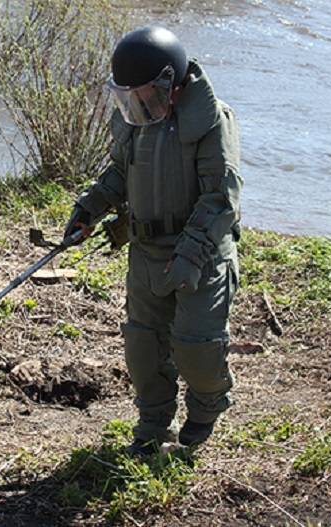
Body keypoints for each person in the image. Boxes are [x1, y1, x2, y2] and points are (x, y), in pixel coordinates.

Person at [65, 26, 242, 455]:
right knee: (143, 348)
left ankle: (205, 408)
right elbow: (119, 175)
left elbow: (220, 200)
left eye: (144, 94)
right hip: (146, 252)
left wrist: (189, 255)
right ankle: (152, 425)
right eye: (129, 96)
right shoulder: (136, 118)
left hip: (200, 253)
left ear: (171, 84)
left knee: (196, 347)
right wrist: (89, 209)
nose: (137, 104)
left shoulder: (212, 120)